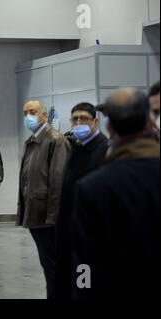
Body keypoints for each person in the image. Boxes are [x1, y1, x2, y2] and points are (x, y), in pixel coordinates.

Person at [72, 89, 160, 299]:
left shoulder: (93, 187)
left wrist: (82, 292)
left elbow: (85, 261)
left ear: (109, 128)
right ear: (149, 122)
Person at [16, 100, 69, 299]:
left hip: (48, 218)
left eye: (33, 112)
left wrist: (53, 216)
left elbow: (58, 181)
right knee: (49, 267)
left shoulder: (55, 140)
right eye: (25, 112)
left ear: (44, 115)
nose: (28, 116)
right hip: (35, 215)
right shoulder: (32, 141)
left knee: (55, 269)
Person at [55, 103, 108, 299]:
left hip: (89, 238)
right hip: (68, 232)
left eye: (83, 118)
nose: (78, 123)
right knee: (68, 285)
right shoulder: (76, 147)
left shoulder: (104, 150)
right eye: (75, 119)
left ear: (95, 121)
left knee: (84, 287)